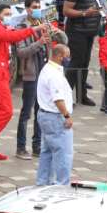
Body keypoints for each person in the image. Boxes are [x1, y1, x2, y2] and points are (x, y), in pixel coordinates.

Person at [0, 5, 44, 165]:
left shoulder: (0, 27)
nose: (9, 15)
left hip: (0, 70)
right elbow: (12, 37)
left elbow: (11, 35)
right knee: (6, 111)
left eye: (10, 13)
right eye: (6, 13)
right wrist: (33, 29)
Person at [15, 0, 63, 160]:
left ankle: (37, 146)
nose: (37, 9)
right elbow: (21, 53)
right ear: (27, 9)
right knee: (26, 113)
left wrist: (56, 33)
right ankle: (20, 147)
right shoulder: (22, 28)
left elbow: (61, 43)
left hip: (44, 75)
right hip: (30, 74)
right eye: (34, 7)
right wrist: (39, 42)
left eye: (39, 6)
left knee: (40, 111)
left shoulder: (43, 23)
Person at [63, 0, 103, 107]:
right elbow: (66, 11)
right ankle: (65, 96)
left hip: (89, 31)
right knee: (75, 64)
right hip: (77, 32)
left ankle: (82, 96)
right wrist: (85, 13)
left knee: (84, 64)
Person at [36, 44, 74, 185]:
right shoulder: (54, 75)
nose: (68, 59)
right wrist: (67, 116)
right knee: (63, 153)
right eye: (66, 56)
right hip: (55, 118)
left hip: (45, 116)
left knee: (47, 152)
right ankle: (62, 185)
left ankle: (42, 182)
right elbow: (58, 99)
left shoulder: (48, 69)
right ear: (59, 56)